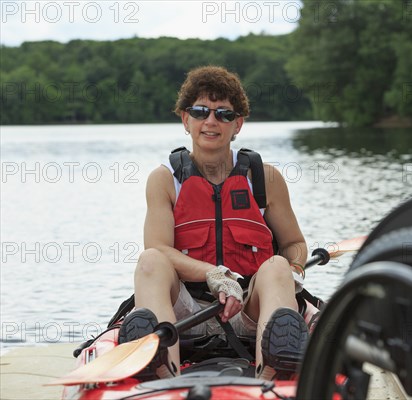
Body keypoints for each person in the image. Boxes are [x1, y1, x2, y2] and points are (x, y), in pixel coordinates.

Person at [122, 65, 310, 380]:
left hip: (250, 308)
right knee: (150, 259)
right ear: (186, 119)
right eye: (201, 112)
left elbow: (295, 244)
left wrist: (294, 269)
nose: (211, 121)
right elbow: (158, 247)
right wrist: (215, 275)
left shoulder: (265, 178)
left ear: (238, 124)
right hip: (186, 312)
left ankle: (271, 377)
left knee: (277, 265)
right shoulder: (164, 180)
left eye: (223, 114)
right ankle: (161, 375)